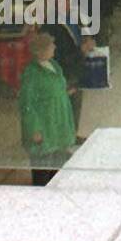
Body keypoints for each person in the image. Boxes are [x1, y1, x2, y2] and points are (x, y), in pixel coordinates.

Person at [19, 32, 77, 186]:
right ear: (41, 51)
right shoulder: (31, 74)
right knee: (42, 167)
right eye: (51, 45)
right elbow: (27, 104)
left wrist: (64, 92)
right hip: (44, 127)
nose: (55, 47)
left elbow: (56, 86)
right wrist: (34, 129)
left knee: (57, 163)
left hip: (57, 122)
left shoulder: (54, 66)